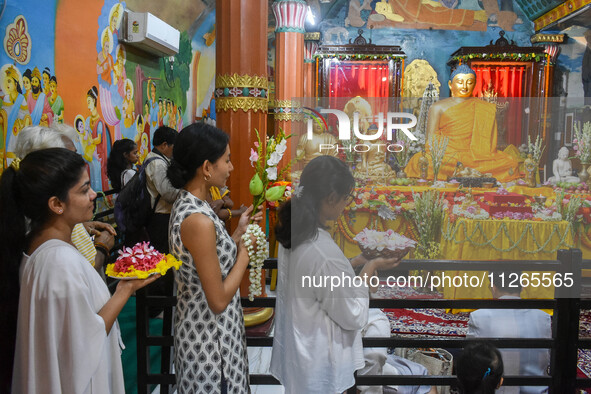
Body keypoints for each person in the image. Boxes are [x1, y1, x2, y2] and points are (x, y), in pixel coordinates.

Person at [1, 148, 159, 393]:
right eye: (84, 190)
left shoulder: (39, 244)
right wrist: (124, 290)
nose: (94, 194)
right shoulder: (59, 262)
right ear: (56, 204)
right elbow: (83, 343)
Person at [271, 155, 402, 393]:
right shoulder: (323, 252)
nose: (347, 204)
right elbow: (352, 314)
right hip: (320, 359)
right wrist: (370, 268)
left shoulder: (295, 231)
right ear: (331, 198)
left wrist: (352, 263)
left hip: (300, 346)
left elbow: (313, 279)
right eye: (346, 198)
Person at [167, 122, 262, 393]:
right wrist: (244, 253)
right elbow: (218, 300)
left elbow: (211, 264)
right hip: (209, 344)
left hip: (216, 334)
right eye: (227, 160)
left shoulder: (192, 206)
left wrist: (238, 232)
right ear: (207, 167)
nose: (231, 167)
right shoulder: (198, 219)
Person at [13, 124, 117, 272]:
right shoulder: (55, 252)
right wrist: (102, 248)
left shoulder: (56, 222)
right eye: (84, 190)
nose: (93, 195)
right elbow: (78, 277)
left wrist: (82, 226)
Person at [405, 64, 520, 182]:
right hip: (449, 156)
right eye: (460, 82)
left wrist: (480, 155)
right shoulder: (438, 107)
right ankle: (471, 174)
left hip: (478, 157)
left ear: (475, 84)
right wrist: (450, 154)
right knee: (419, 161)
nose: (465, 86)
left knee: (510, 162)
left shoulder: (485, 108)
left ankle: (467, 172)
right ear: (451, 85)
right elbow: (430, 141)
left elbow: (490, 144)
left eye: (469, 82)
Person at [467, 271, 551, 394]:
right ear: (521, 287)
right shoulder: (543, 317)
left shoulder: (479, 316)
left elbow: (470, 361)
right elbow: (548, 357)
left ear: (493, 287)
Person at [145, 126, 179, 253]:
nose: (174, 152)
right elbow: (168, 194)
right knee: (163, 254)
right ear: (165, 145)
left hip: (162, 216)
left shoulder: (157, 159)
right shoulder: (157, 163)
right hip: (160, 218)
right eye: (173, 147)